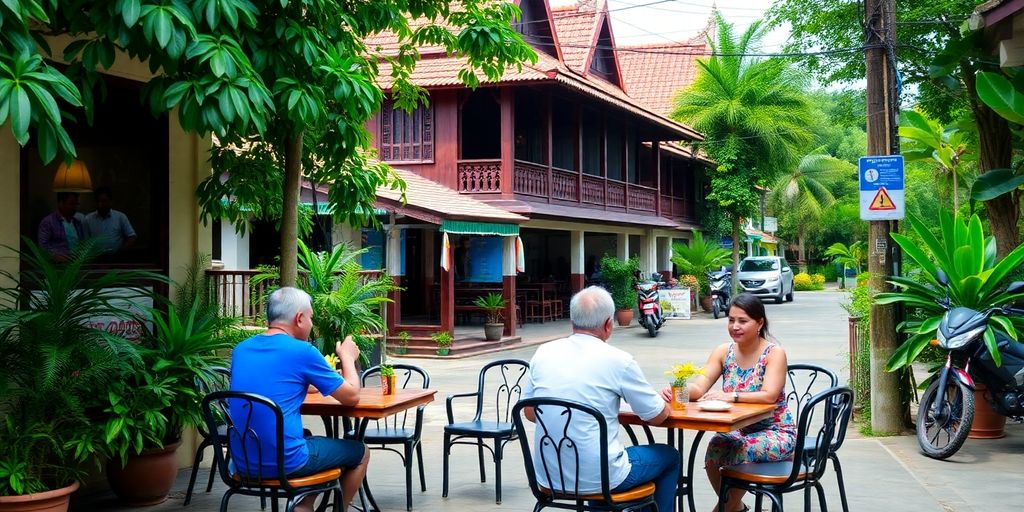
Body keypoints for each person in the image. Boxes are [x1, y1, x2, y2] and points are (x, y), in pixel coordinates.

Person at [523, 286, 679, 512]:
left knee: (602, 458)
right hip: (603, 477)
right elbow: (656, 416)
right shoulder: (619, 360)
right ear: (608, 325)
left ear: (572, 322)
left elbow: (529, 413)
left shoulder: (543, 352)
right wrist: (666, 402)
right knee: (669, 456)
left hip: (549, 476)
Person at [229, 287, 369, 512]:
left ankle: (304, 505)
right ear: (299, 318)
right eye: (311, 317)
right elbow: (351, 396)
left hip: (243, 460)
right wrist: (347, 358)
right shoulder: (302, 351)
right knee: (360, 452)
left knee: (309, 438)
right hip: (287, 462)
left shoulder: (241, 349)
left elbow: (284, 382)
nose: (312, 324)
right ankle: (314, 507)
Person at [661, 293, 795, 512]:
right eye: (731, 320)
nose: (735, 326)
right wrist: (678, 392)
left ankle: (724, 509)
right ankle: (736, 507)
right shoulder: (724, 352)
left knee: (737, 451)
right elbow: (700, 386)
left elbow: (769, 395)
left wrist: (730, 395)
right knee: (715, 448)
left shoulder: (774, 353)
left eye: (743, 321)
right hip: (738, 429)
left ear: (759, 323)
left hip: (776, 432)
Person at [83, 187, 136, 256]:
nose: (100, 204)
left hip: (116, 259)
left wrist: (121, 252)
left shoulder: (120, 217)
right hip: (95, 260)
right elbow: (85, 242)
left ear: (110, 201)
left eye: (103, 201)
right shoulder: (88, 219)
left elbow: (132, 236)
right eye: (98, 201)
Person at [37, 192, 85, 263]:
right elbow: (42, 247)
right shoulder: (48, 222)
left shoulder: (77, 223)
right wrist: (58, 257)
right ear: (61, 203)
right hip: (57, 267)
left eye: (76, 204)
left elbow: (82, 244)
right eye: (71, 204)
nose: (75, 207)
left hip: (75, 265)